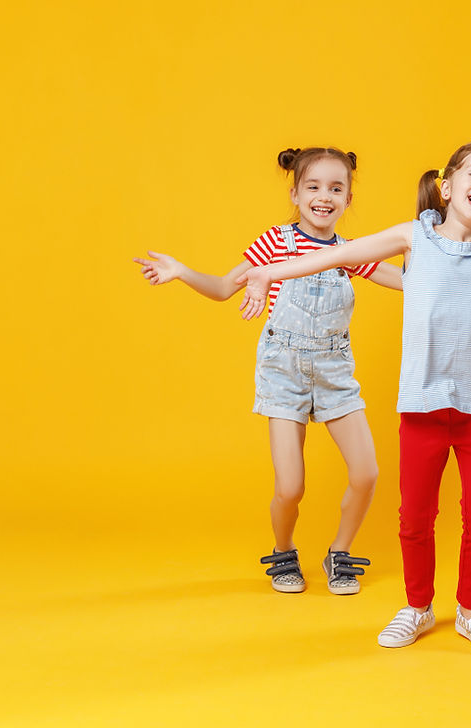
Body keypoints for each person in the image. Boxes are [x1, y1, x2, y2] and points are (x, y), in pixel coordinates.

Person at [236, 102, 471, 652]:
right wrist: (266, 273)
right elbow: (334, 255)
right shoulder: (413, 237)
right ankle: (418, 607)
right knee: (415, 519)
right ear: (447, 187)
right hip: (422, 403)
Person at [133, 146, 400, 596]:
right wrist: (182, 271)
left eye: (336, 188)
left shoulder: (351, 251)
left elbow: (409, 282)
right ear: (295, 194)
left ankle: (339, 552)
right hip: (285, 373)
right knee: (290, 486)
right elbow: (224, 287)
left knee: (366, 473)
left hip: (334, 372)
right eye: (313, 187)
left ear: (349, 199)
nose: (324, 197)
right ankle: (283, 549)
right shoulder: (277, 242)